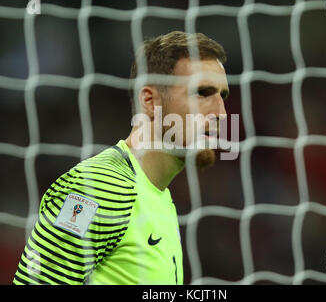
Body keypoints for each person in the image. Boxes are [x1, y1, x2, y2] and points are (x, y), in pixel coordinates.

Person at [13, 30, 230, 285]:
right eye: (203, 93)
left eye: (222, 96)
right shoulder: (102, 187)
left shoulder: (157, 195)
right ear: (150, 101)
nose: (222, 113)